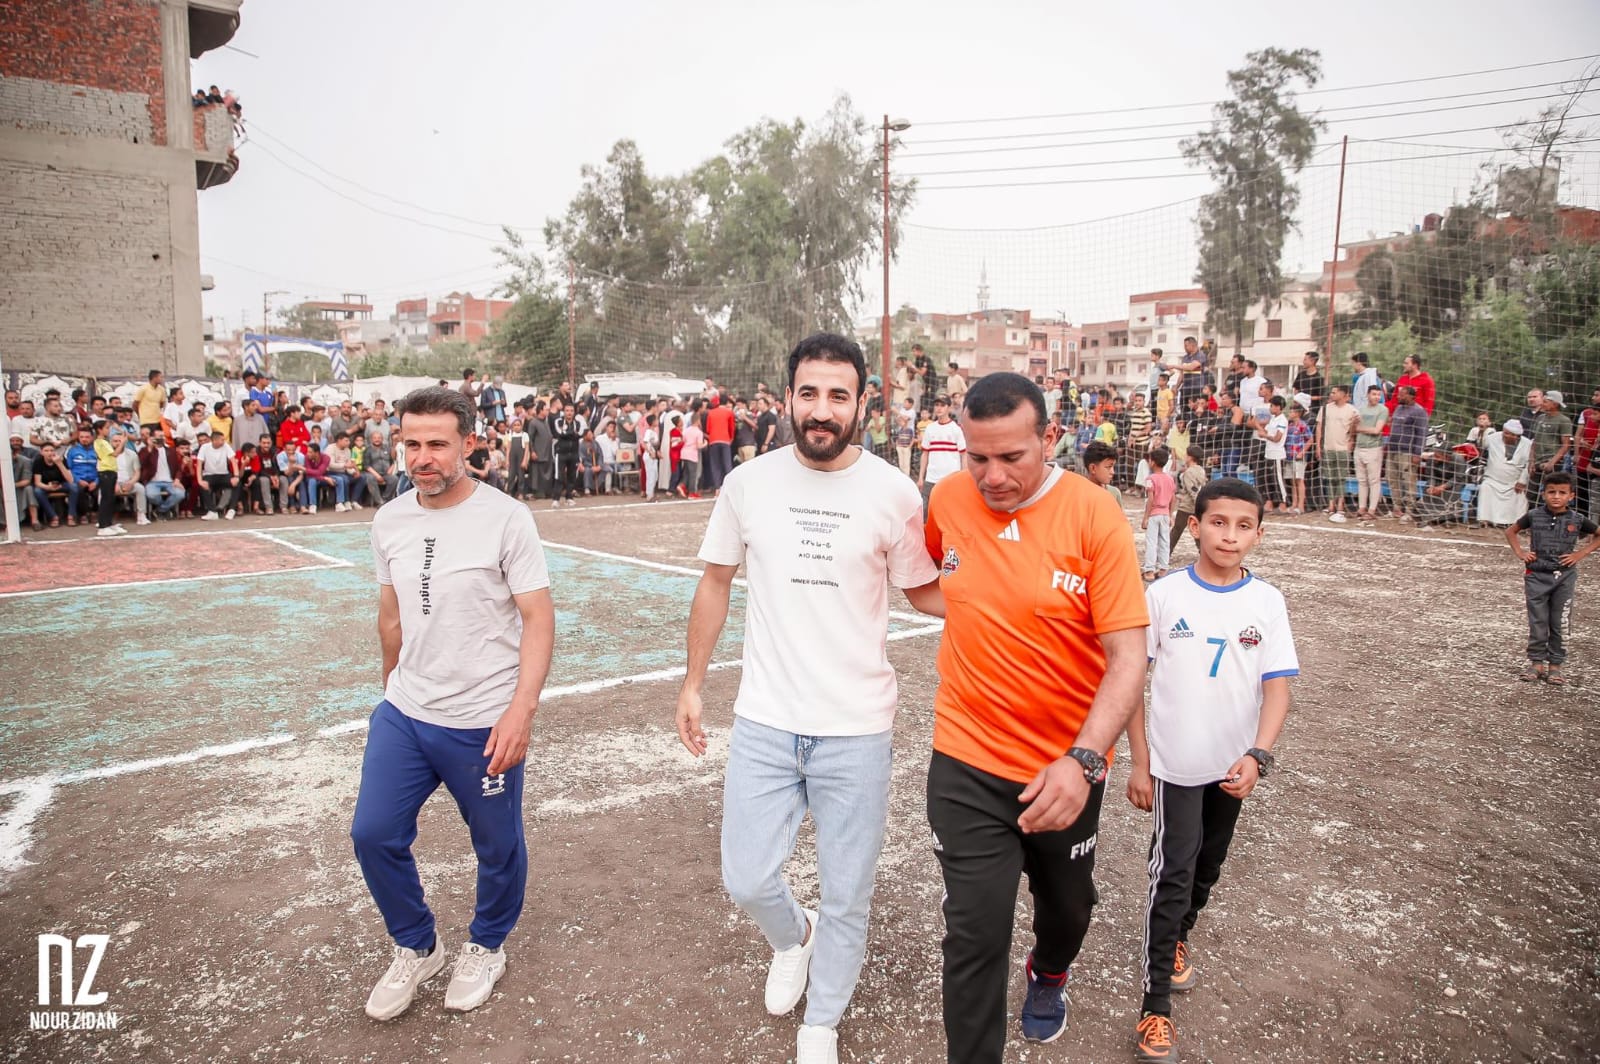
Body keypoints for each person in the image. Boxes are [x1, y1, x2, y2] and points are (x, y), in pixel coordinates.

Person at [676, 333, 942, 1064]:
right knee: (746, 877)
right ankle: (794, 936)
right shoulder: (748, 484)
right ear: (789, 397)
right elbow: (715, 582)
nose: (822, 410)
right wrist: (693, 684)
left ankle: (821, 1022)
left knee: (848, 891)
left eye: (838, 395)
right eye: (809, 393)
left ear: (862, 404)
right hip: (765, 719)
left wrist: (1010, 592)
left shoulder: (894, 492)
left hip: (857, 728)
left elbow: (924, 592)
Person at [922, 372, 1147, 1064]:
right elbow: (933, 578)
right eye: (977, 457)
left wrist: (1084, 761)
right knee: (975, 932)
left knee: (1067, 909)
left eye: (1011, 457)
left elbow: (1129, 657)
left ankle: (1049, 973)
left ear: (1050, 437)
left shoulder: (1094, 514)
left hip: (1065, 768)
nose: (991, 477)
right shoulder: (948, 498)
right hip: (965, 757)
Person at [354, 386, 555, 1021]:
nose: (423, 457)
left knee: (496, 846)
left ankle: (487, 945)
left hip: (482, 720)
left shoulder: (506, 518)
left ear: (468, 444)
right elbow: (391, 614)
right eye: (411, 444)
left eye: (438, 444)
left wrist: (521, 710)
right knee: (373, 834)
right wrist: (389, 690)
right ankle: (418, 946)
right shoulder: (389, 520)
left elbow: (539, 618)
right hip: (406, 713)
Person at [1126, 478, 1298, 1064]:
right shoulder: (1164, 595)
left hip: (1233, 766)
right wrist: (1142, 762)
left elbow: (1277, 688)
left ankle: (1179, 935)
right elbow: (1132, 681)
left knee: (1208, 865)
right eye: (1218, 523)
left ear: (1258, 535)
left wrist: (1258, 755)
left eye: (1243, 526)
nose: (1230, 536)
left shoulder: (1267, 602)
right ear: (1196, 527)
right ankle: (1155, 1007)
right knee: (1172, 873)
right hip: (1175, 764)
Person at [1505, 472, 1598, 686]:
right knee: (1538, 621)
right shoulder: (1534, 515)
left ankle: (1555, 666)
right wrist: (1521, 553)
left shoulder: (1578, 519)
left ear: (1571, 496)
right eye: (1551, 492)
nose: (1556, 496)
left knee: (1560, 622)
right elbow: (1511, 531)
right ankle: (1536, 663)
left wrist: (1579, 554)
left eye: (1562, 492)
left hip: (1564, 577)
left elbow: (1598, 535)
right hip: (1536, 576)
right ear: (1543, 494)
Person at [1387, 386, 1428, 521]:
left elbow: (1421, 434)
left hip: (1407, 452)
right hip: (1393, 449)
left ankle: (1409, 511)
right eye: (1399, 394)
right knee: (1392, 479)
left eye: (1402, 395)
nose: (1399, 396)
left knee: (1408, 481)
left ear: (1411, 396)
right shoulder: (1399, 408)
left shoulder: (1419, 411)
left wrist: (1417, 453)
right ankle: (1397, 508)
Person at [1317, 386, 1357, 522]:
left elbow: (1354, 430)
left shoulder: (1352, 410)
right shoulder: (1325, 408)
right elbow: (1319, 427)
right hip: (1328, 448)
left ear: (1343, 394)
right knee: (1329, 478)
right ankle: (1330, 505)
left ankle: (1340, 505)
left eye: (1334, 392)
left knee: (1341, 478)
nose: (1331, 394)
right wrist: (1318, 446)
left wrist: (1350, 442)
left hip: (1342, 449)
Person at [918, 396, 966, 511]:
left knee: (949, 510)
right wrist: (920, 477)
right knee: (927, 511)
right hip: (931, 478)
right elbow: (925, 454)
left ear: (949, 408)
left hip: (951, 478)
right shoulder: (930, 428)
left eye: (942, 405)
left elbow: (964, 455)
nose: (939, 408)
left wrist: (964, 477)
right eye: (937, 405)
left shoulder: (956, 429)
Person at [1529, 390, 1574, 504]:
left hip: (1552, 461)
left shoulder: (1564, 420)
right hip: (1537, 461)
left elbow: (1566, 445)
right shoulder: (1540, 418)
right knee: (1531, 494)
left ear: (1555, 404)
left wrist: (1552, 462)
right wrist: (1531, 461)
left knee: (1550, 493)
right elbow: (1535, 441)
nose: (1542, 404)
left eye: (1545, 402)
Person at [1353, 385, 1388, 521]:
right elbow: (1353, 428)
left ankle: (1372, 509)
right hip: (1359, 447)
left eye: (1378, 395)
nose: (1376, 397)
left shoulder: (1382, 409)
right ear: (1367, 395)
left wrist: (1359, 428)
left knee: (1374, 480)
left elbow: (1376, 430)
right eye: (1374, 394)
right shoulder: (1360, 410)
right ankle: (1361, 507)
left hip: (1373, 448)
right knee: (1361, 480)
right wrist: (1356, 427)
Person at [1142, 446, 1176, 581]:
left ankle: (1149, 570)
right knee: (1165, 542)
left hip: (1154, 514)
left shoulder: (1150, 479)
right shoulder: (1170, 479)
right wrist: (1170, 514)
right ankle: (1163, 569)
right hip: (1165, 514)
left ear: (1153, 462)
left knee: (1151, 542)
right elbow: (1173, 498)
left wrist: (1146, 517)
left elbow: (1150, 499)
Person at [1170, 446, 1209, 556]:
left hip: (1187, 507)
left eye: (1186, 454)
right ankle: (1204, 554)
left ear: (1191, 457)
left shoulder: (1189, 472)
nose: (1185, 456)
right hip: (1197, 506)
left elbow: (1192, 490)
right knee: (1197, 531)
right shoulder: (1201, 470)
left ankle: (1166, 553)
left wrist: (1197, 503)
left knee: (1176, 531)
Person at [1255, 396, 1288, 513]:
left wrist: (1265, 436)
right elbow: (1267, 432)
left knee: (1278, 479)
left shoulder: (1282, 420)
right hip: (1268, 453)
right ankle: (1269, 502)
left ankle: (1283, 503)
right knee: (1268, 479)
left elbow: (1277, 438)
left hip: (1277, 454)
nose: (1270, 408)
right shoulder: (1273, 419)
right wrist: (1259, 428)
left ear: (1278, 407)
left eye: (1272, 406)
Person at [112, 430, 149, 527]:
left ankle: (141, 515)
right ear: (111, 442)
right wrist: (114, 483)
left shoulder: (132, 454)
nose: (117, 443)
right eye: (115, 441)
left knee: (140, 488)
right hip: (112, 483)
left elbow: (137, 472)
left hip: (128, 482)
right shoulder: (108, 454)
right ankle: (104, 517)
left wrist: (131, 482)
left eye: (119, 441)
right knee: (103, 490)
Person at [93, 420, 122, 536]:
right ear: (99, 430)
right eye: (106, 428)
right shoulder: (100, 442)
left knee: (110, 499)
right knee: (106, 499)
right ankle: (102, 525)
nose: (108, 430)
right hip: (105, 472)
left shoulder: (104, 442)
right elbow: (115, 454)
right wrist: (122, 442)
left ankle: (109, 523)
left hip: (111, 471)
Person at [1083, 439, 1123, 509]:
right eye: (1108, 467)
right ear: (1093, 468)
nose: (1112, 472)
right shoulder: (1080, 494)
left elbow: (1119, 516)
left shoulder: (1114, 493)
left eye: (1113, 467)